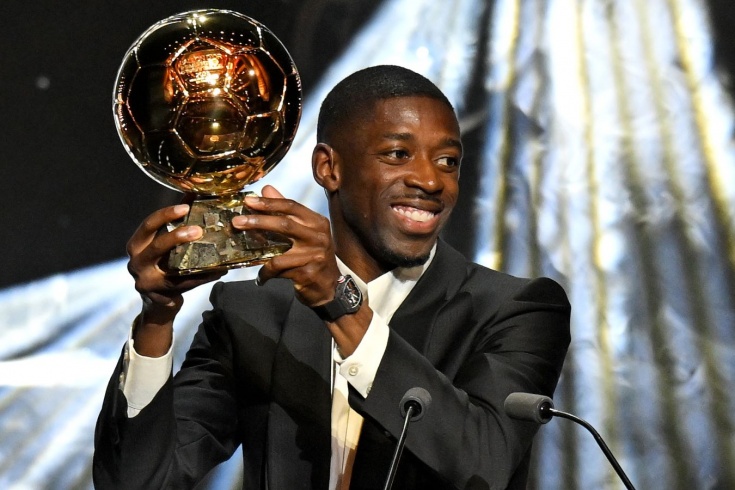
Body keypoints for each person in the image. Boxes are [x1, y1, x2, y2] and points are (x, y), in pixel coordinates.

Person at [93, 65, 571, 490]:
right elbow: (137, 481)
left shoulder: (516, 309)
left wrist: (339, 302)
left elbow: (484, 466)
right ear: (329, 167)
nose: (431, 180)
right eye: (398, 154)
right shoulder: (252, 315)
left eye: (448, 161)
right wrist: (157, 318)